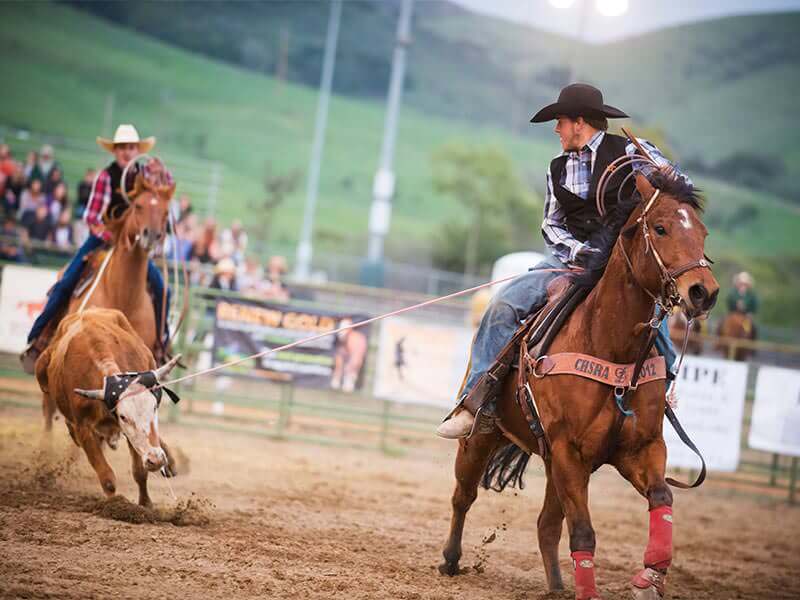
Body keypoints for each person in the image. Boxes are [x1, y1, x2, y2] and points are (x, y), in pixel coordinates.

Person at [437, 83, 685, 439]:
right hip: (568, 262)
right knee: (503, 306)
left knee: (654, 326)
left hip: (626, 269)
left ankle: (662, 393)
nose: (556, 130)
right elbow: (550, 225)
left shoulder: (632, 150)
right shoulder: (557, 169)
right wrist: (579, 254)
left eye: (560, 122)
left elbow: (680, 185)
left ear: (579, 123)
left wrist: (658, 176)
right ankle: (476, 404)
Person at [20, 124, 170, 372]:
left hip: (133, 246)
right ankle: (40, 338)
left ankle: (161, 346)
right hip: (104, 238)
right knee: (67, 282)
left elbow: (164, 191)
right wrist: (109, 234)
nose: (127, 151)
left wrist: (161, 170)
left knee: (162, 288)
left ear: (137, 150)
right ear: (115, 151)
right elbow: (91, 216)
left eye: (131, 147)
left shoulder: (145, 178)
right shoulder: (105, 177)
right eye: (122, 147)